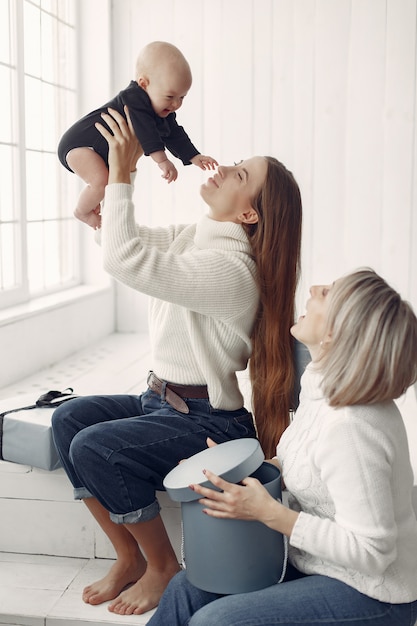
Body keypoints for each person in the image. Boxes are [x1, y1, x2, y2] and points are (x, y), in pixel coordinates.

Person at [51, 106, 303, 616]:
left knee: (96, 447)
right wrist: (102, 208)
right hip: (160, 401)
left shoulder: (232, 271)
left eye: (239, 175)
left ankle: (163, 566)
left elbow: (130, 262)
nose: (220, 169)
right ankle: (129, 556)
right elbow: (133, 245)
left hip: (209, 420)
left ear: (249, 214)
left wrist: (121, 174)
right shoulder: (198, 237)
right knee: (68, 417)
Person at [149, 268, 417, 626]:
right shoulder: (322, 386)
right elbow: (307, 466)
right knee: (186, 588)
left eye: (327, 294)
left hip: (372, 591)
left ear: (336, 333)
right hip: (316, 563)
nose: (314, 288)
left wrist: (268, 512)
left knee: (216, 622)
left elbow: (373, 552)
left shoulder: (351, 427)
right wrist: (228, 472)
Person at [57, 41, 218, 229]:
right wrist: (162, 161)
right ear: (143, 84)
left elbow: (174, 133)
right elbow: (146, 131)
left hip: (94, 150)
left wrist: (194, 156)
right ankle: (82, 211)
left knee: (110, 184)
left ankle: (101, 213)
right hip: (79, 146)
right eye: (170, 96)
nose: (176, 104)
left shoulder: (160, 110)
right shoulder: (133, 98)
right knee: (101, 182)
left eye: (182, 97)